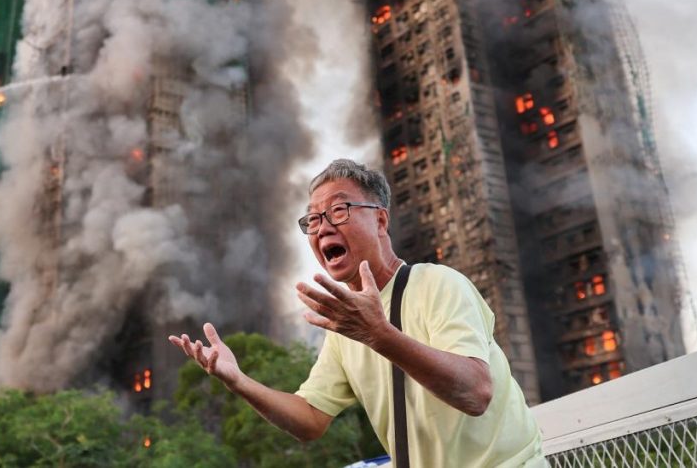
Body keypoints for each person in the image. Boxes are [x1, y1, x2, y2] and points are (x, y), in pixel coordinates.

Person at [169, 158, 545, 467]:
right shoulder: (345, 330)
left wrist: (379, 335)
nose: (322, 227)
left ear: (380, 220)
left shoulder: (438, 284)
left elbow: (475, 392)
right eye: (313, 220)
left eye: (339, 210)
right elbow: (310, 420)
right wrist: (239, 381)